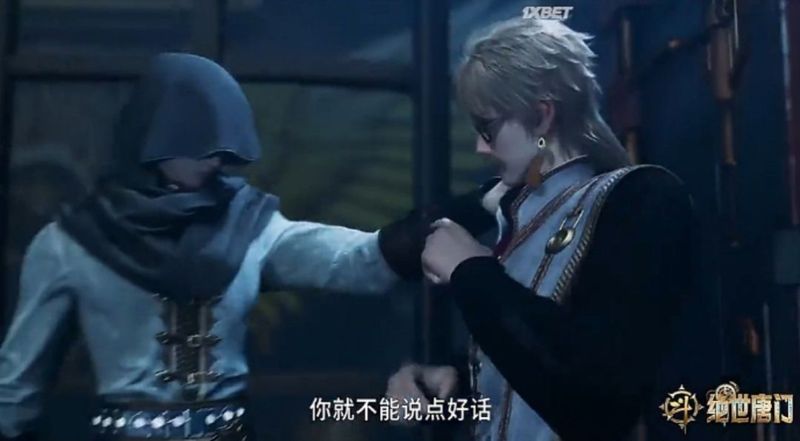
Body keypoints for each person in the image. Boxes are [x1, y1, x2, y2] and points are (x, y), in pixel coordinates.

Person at [0, 53, 498, 441]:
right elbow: (16, 390)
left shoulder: (248, 225)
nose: (217, 157)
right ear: (154, 135)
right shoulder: (68, 244)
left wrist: (480, 204)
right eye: (197, 139)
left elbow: (359, 262)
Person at [385, 17, 694, 441]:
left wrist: (470, 271)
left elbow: (598, 396)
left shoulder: (641, 200)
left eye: (488, 129)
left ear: (542, 116)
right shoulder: (518, 214)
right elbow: (531, 370)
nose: (481, 148)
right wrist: (453, 383)